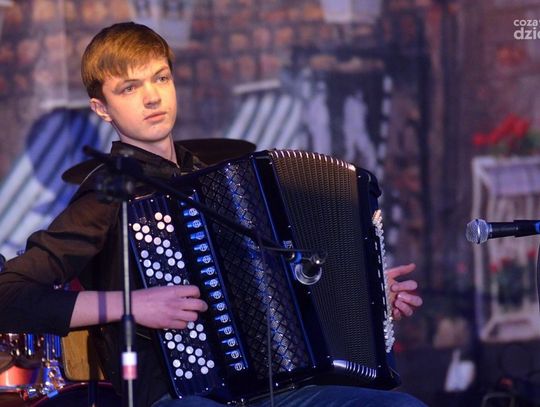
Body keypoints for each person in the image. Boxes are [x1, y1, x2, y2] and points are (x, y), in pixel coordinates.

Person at [0, 22, 424, 407]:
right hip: (176, 397)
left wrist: (366, 298)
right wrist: (132, 305)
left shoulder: (222, 181)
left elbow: (279, 284)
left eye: (160, 78)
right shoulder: (106, 195)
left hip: (272, 388)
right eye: (129, 88)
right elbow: (8, 294)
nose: (152, 97)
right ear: (101, 108)